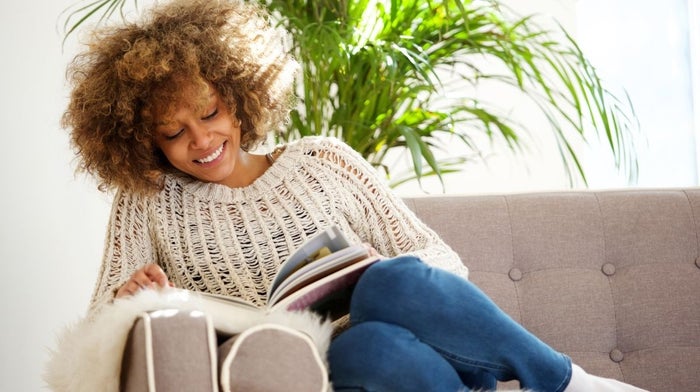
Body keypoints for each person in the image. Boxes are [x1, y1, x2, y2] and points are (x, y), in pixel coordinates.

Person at [64, 0, 648, 391]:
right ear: (145, 141)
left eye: (210, 112)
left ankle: (567, 382)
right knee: (363, 350)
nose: (201, 139)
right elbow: (94, 346)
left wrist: (362, 283)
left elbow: (438, 260)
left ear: (239, 98)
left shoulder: (324, 159)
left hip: (403, 343)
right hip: (314, 369)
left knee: (389, 286)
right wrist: (128, 298)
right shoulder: (148, 200)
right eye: (173, 132)